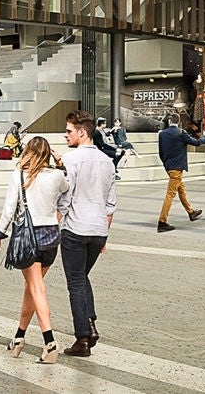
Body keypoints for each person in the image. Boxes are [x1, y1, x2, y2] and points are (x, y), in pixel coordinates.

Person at [0, 137, 69, 364]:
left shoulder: (19, 175)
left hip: (29, 238)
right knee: (32, 289)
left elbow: (9, 209)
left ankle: (50, 342)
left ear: (27, 151)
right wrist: (60, 163)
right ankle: (18, 337)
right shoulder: (57, 176)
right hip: (52, 238)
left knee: (37, 289)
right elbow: (68, 189)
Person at [57, 110, 116, 358]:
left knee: (76, 282)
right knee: (82, 276)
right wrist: (105, 235)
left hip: (75, 229)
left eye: (69, 131)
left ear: (82, 132)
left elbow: (65, 200)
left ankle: (83, 337)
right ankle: (90, 323)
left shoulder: (72, 160)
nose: (65, 135)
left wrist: (53, 224)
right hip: (98, 230)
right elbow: (110, 204)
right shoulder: (108, 161)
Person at [156, 114, 205, 232]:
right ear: (178, 122)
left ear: (169, 121)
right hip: (177, 167)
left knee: (181, 189)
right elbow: (197, 142)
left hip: (168, 166)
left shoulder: (162, 134)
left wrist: (166, 164)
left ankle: (191, 212)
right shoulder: (181, 133)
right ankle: (162, 222)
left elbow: (161, 152)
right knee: (170, 194)